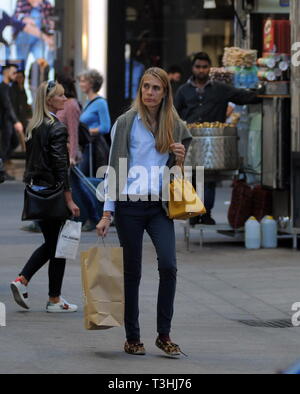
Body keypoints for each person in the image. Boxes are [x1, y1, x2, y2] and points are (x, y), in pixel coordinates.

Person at [97, 67, 192, 357]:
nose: (150, 93)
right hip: (129, 206)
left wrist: (180, 158)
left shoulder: (173, 122)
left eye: (156, 88)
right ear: (140, 90)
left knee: (169, 265)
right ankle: (132, 336)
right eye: (146, 87)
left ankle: (164, 335)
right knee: (132, 271)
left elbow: (177, 170)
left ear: (165, 92)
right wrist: (106, 213)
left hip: (159, 206)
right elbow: (113, 169)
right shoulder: (125, 122)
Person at [10, 80, 80, 313]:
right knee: (57, 246)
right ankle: (51, 298)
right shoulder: (56, 128)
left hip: (37, 193)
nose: (65, 99)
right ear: (49, 100)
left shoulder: (35, 126)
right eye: (60, 96)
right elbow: (61, 168)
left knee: (53, 244)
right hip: (54, 194)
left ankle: (30, 284)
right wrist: (69, 199)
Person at [175, 52, 261, 225]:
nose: (201, 70)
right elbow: (175, 114)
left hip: (213, 143)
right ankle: (193, 213)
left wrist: (263, 92)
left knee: (209, 180)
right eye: (198, 66)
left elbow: (241, 97)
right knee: (191, 178)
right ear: (193, 68)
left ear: (209, 69)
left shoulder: (220, 89)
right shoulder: (183, 91)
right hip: (190, 142)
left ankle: (206, 214)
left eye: (204, 67)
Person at [78, 69, 111, 231]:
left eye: (83, 81)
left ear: (91, 84)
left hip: (95, 147)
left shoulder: (100, 103)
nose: (81, 84)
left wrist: (85, 132)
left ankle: (95, 216)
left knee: (86, 181)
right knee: (82, 180)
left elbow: (106, 126)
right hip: (87, 146)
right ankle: (89, 215)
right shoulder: (88, 102)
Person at [13, 0, 56, 68]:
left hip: (39, 39)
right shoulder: (21, 2)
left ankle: (41, 75)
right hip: (23, 38)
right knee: (21, 65)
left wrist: (50, 37)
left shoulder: (47, 5)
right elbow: (22, 23)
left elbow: (50, 24)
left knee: (42, 64)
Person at [0, 64, 24, 180]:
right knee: (5, 147)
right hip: (5, 122)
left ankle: (3, 168)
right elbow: (7, 106)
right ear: (6, 72)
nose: (15, 75)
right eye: (13, 73)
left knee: (12, 143)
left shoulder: (10, 87)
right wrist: (16, 122)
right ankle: (2, 172)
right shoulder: (3, 87)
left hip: (9, 121)